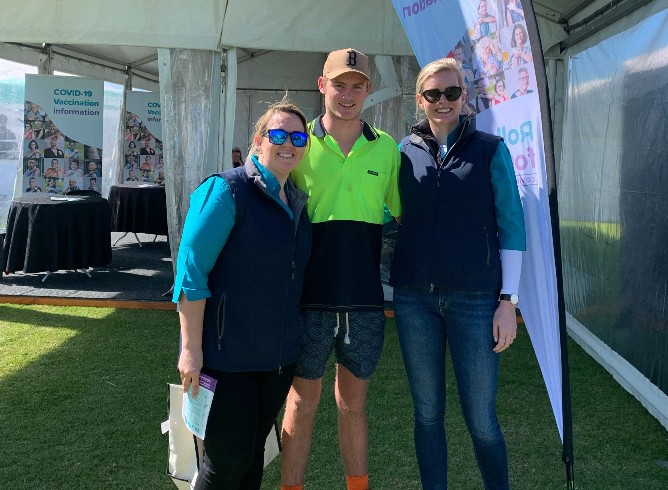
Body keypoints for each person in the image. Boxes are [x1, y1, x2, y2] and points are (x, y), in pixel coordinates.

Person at [390, 58, 525, 490]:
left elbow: (512, 224)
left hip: (475, 300)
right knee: (427, 413)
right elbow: (385, 212)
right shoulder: (402, 151)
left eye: (451, 93)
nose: (442, 101)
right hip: (414, 299)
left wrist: (508, 301)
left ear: (464, 97)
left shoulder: (490, 148)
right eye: (433, 94)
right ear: (420, 99)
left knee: (482, 419)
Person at [174, 100, 312, 489]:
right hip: (226, 358)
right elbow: (191, 273)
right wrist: (190, 349)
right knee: (226, 463)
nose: (289, 144)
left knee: (253, 455)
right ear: (258, 141)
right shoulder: (227, 190)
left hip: (277, 360)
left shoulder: (297, 200)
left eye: (298, 137)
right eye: (279, 135)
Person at [280, 48, 402, 490]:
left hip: (365, 301)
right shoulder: (298, 144)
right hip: (308, 299)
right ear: (321, 85)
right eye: (339, 84)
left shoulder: (386, 147)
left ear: (368, 89)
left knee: (353, 405)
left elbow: (403, 213)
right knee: (302, 404)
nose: (347, 95)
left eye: (357, 85)